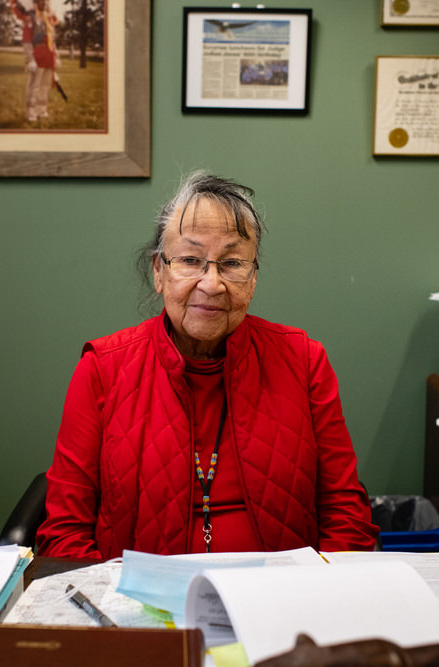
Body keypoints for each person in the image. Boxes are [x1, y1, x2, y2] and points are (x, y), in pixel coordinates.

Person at [36, 171, 379, 559]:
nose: (212, 283)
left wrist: (325, 592)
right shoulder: (103, 368)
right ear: (159, 272)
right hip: (138, 606)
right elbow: (65, 531)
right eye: (190, 259)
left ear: (252, 280)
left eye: (232, 262)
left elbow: (345, 513)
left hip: (282, 603)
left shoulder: (304, 360)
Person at [10, 0, 59, 123]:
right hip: (37, 56)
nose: (46, 4)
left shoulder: (48, 20)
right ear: (36, 4)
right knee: (34, 86)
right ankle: (31, 112)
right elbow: (27, 42)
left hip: (48, 56)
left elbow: (52, 41)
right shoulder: (30, 20)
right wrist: (30, 59)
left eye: (47, 2)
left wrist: (56, 57)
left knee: (45, 85)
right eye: (43, 2)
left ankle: (41, 110)